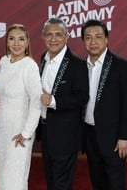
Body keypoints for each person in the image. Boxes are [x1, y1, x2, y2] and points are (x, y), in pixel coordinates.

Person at [80, 20, 127, 190]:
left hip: (114, 137)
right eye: (88, 38)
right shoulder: (80, 66)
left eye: (98, 37)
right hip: (89, 134)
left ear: (106, 39)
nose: (93, 42)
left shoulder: (122, 65)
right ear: (83, 41)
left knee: (115, 182)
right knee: (97, 180)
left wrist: (125, 137)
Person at [38, 17, 89, 190]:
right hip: (45, 132)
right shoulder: (42, 59)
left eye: (58, 35)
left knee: (62, 184)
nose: (53, 39)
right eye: (49, 34)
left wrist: (53, 100)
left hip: (65, 135)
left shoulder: (78, 64)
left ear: (67, 37)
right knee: (51, 180)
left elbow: (82, 97)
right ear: (43, 37)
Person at [0, 24, 42, 190]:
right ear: (6, 42)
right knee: (4, 174)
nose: (16, 43)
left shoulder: (29, 66)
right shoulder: (4, 61)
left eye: (21, 39)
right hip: (4, 128)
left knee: (16, 178)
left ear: (27, 43)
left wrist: (26, 132)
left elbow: (36, 102)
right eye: (12, 38)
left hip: (20, 130)